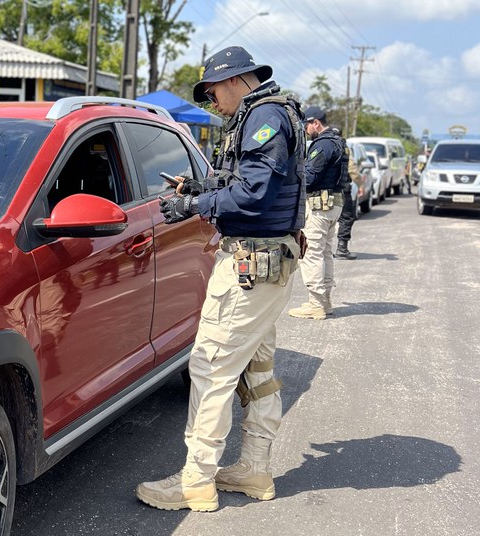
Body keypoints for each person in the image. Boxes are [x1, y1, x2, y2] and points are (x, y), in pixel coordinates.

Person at [135, 45, 306, 512]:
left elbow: (253, 194)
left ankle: (196, 480)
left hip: (251, 267)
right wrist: (198, 187)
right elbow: (245, 181)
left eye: (213, 92)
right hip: (268, 265)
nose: (213, 103)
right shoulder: (266, 112)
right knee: (258, 367)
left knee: (210, 368)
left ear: (236, 80)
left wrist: (191, 207)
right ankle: (254, 468)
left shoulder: (263, 117)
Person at [288, 106, 347, 320]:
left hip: (320, 206)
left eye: (306, 125)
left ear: (316, 123)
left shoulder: (322, 145)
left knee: (311, 253)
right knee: (324, 253)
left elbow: (310, 178)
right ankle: (325, 301)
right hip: (334, 204)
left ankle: (315, 304)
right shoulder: (340, 142)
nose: (305, 130)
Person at [333, 126, 359, 260]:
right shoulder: (344, 148)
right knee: (347, 217)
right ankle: (342, 248)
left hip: (325, 190)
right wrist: (359, 183)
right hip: (343, 189)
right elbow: (352, 169)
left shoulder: (321, 144)